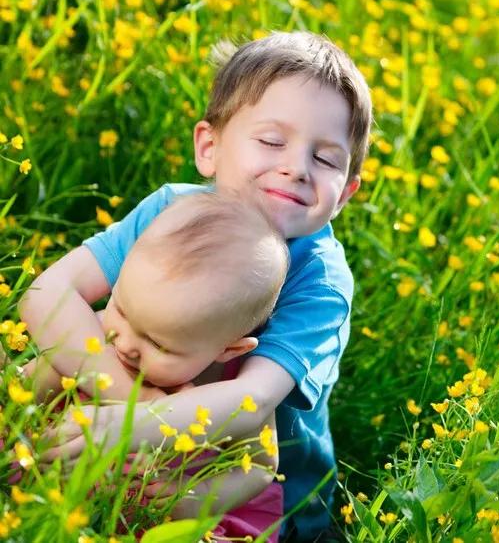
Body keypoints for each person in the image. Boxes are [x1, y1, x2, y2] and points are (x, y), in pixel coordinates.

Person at [19, 30, 373, 541]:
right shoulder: (171, 210)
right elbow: (48, 295)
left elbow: (252, 402)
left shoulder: (320, 280)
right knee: (85, 336)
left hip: (250, 488)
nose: (296, 167)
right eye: (272, 141)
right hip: (132, 423)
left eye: (326, 159)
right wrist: (123, 404)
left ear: (345, 194)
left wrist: (120, 426)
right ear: (209, 147)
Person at [19, 191, 290, 540]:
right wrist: (30, 433)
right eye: (120, 308)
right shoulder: (97, 343)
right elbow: (28, 391)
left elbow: (260, 468)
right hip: (66, 491)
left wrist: (195, 500)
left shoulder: (233, 391)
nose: (126, 344)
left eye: (159, 344)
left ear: (228, 349)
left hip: (164, 513)